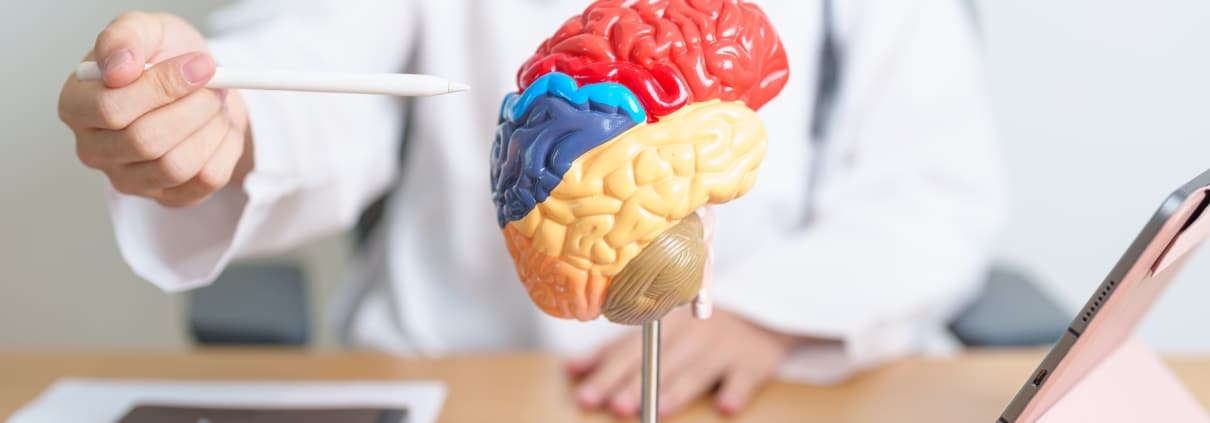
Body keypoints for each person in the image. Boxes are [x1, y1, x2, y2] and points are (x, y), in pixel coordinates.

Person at [57, 0, 1002, 418]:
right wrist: (216, 120)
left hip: (761, 393)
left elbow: (936, 188)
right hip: (462, 380)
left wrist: (773, 313)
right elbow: (314, 63)